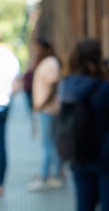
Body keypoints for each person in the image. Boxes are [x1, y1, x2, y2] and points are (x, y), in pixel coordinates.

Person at [57, 39, 109, 211]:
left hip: (79, 154)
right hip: (108, 156)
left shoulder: (66, 85)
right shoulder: (102, 88)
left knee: (84, 206)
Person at [28, 37, 64, 191]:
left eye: (39, 48)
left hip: (48, 109)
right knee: (49, 143)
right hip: (46, 109)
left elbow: (54, 85)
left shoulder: (50, 63)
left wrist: (43, 104)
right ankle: (49, 174)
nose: (37, 51)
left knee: (49, 143)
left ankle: (53, 174)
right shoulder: (47, 62)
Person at [0, 34, 20, 196]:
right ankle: (0, 184)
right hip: (4, 104)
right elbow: (16, 85)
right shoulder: (9, 57)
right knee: (1, 144)